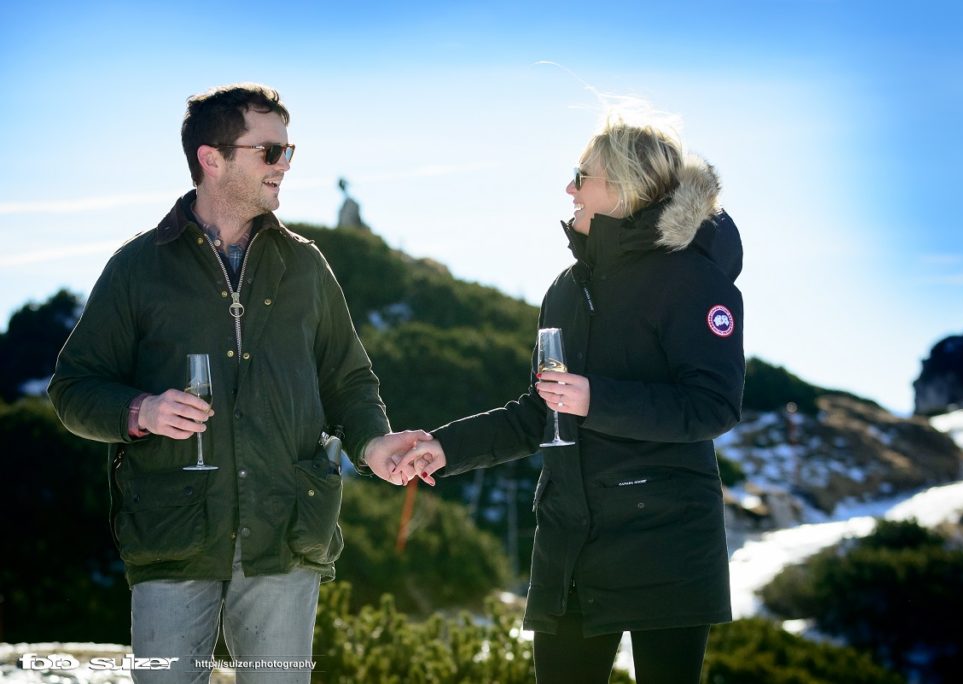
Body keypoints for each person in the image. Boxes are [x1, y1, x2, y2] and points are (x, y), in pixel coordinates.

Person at [48, 83, 428, 684]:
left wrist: (373, 442)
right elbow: (72, 389)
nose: (284, 165)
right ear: (212, 157)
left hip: (285, 532)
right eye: (269, 151)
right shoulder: (137, 269)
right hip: (171, 538)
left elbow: (349, 381)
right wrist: (139, 409)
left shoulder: (305, 265)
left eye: (288, 150)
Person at [396, 111, 745, 683]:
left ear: (626, 188)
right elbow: (541, 410)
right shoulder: (566, 287)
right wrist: (445, 447)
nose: (569, 188)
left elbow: (712, 406)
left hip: (666, 544)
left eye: (582, 175)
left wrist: (596, 399)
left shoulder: (692, 279)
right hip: (570, 542)